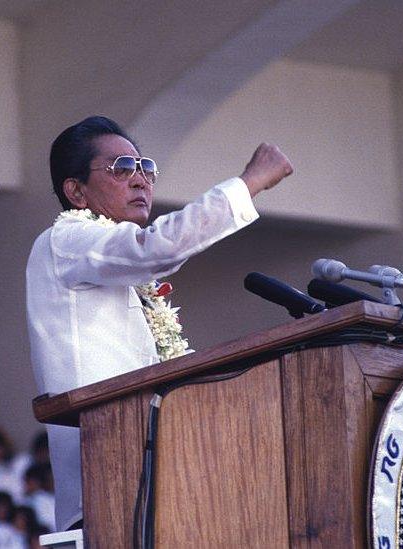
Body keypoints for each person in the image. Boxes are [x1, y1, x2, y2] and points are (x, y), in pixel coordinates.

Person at [25, 116, 293, 530]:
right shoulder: (64, 242)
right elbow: (156, 248)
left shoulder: (115, 265)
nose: (140, 181)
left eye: (145, 167)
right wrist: (249, 182)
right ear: (76, 191)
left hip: (155, 485)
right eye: (121, 169)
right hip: (105, 494)